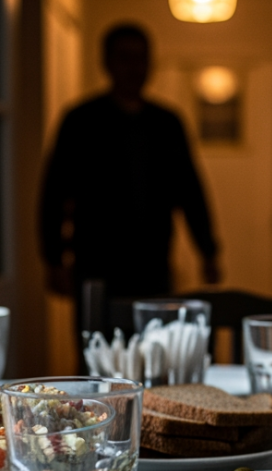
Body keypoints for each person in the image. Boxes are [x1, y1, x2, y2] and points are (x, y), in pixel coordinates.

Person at [39, 23, 221, 308]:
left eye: (141, 58)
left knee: (154, 341)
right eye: (125, 58)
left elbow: (190, 190)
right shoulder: (81, 121)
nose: (134, 68)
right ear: (107, 63)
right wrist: (53, 258)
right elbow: (55, 192)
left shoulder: (167, 123)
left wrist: (208, 251)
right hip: (95, 259)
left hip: (153, 260)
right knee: (97, 344)